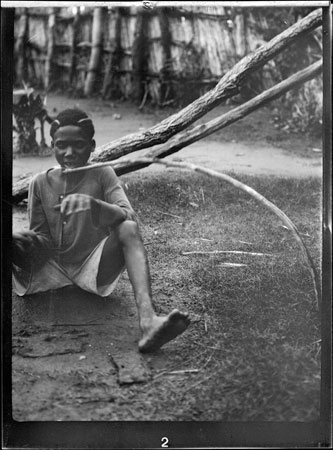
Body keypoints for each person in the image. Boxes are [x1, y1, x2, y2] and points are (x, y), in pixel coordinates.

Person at [12, 108, 190, 353]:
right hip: (50, 270)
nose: (69, 153)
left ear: (92, 145)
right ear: (52, 145)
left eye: (79, 145)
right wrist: (26, 241)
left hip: (93, 268)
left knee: (126, 228)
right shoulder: (39, 183)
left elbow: (131, 219)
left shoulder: (102, 174)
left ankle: (148, 320)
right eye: (61, 145)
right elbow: (42, 239)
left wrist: (95, 206)